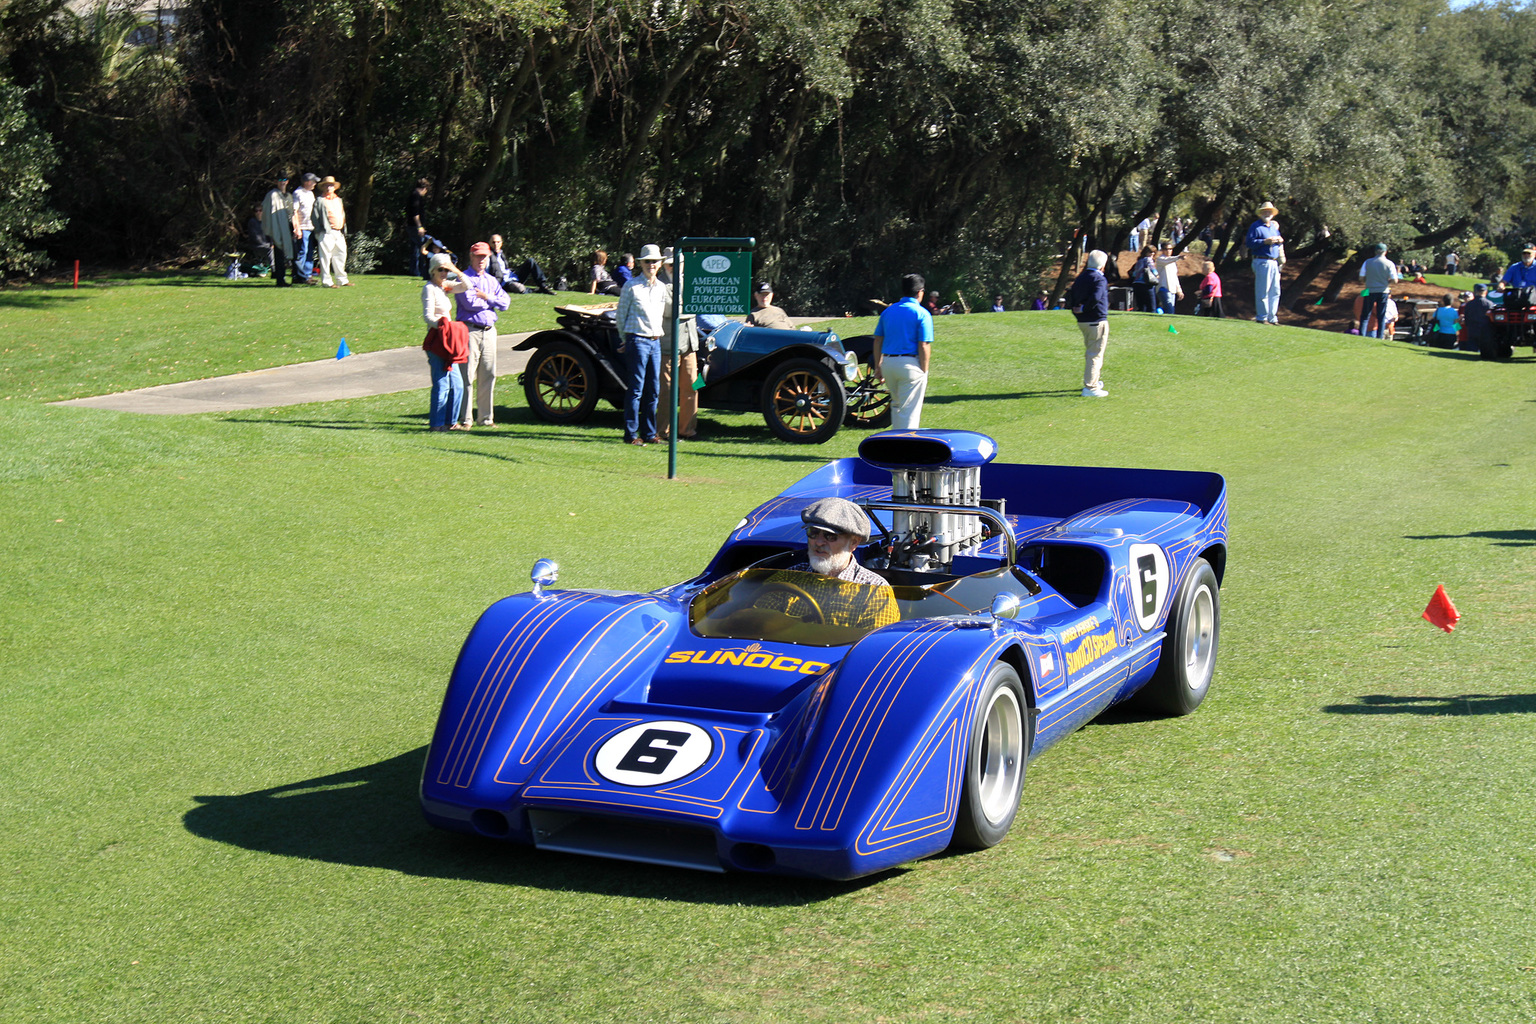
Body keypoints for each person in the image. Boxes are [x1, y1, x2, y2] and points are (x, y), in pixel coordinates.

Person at [615, 244, 669, 445]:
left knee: (653, 389)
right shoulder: (631, 286)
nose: (651, 265)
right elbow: (621, 317)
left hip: (655, 341)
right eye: (647, 261)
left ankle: (650, 433)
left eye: (654, 261)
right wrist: (625, 339)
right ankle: (631, 434)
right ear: (641, 264)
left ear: (660, 264)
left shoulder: (662, 288)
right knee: (636, 388)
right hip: (637, 339)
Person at [454, 241, 511, 427]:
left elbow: (506, 302)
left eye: (484, 256)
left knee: (488, 375)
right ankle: (466, 419)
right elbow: (469, 303)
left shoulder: (491, 280)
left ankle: (486, 419)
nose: (481, 260)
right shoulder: (463, 279)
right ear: (471, 257)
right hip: (469, 331)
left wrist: (487, 297)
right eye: (478, 256)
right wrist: (493, 302)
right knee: (467, 376)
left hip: (489, 331)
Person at [872, 273, 934, 428]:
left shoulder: (888, 311)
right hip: (910, 364)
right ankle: (908, 449)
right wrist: (924, 370)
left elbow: (878, 339)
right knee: (909, 412)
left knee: (897, 406)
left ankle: (895, 447)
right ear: (920, 291)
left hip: (888, 363)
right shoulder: (922, 313)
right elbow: (924, 345)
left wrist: (878, 366)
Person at [421, 253, 469, 431]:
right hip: (437, 341)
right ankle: (436, 424)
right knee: (442, 385)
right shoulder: (429, 288)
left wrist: (455, 270)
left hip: (451, 341)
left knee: (457, 385)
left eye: (445, 270)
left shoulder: (445, 286)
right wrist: (443, 326)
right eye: (440, 269)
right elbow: (428, 316)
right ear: (433, 271)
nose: (443, 273)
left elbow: (467, 286)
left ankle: (451, 422)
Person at [659, 256, 701, 441]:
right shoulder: (658, 284)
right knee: (666, 389)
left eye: (678, 264)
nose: (674, 267)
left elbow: (699, 304)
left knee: (694, 384)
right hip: (668, 344)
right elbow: (668, 309)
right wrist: (687, 305)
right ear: (664, 265)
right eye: (670, 264)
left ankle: (688, 430)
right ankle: (663, 431)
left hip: (690, 343)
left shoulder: (693, 281)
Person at [1067, 249, 1110, 398]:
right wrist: (1085, 308)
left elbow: (1071, 295)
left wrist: (1077, 311)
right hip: (1095, 320)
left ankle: (1094, 381)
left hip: (1084, 321)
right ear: (1102, 266)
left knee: (1092, 352)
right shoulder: (1099, 279)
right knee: (1095, 354)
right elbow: (1096, 297)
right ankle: (1090, 387)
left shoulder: (1080, 277)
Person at [1246, 201, 1284, 324]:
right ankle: (1262, 317)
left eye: (1269, 211)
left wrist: (1279, 240)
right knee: (1263, 290)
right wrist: (1264, 242)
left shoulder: (1273, 227)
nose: (1267, 213)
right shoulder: (1256, 226)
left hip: (1274, 261)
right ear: (1261, 213)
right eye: (1265, 211)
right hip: (1262, 260)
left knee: (1275, 290)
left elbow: (1279, 239)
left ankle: (1272, 318)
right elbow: (1250, 243)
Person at [310, 176, 350, 288]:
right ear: (323, 187)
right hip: (326, 232)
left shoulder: (338, 200)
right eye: (326, 185)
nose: (329, 188)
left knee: (341, 254)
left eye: (331, 185)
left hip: (338, 231)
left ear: (334, 187)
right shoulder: (320, 200)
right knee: (325, 257)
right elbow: (314, 217)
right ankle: (327, 282)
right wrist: (320, 231)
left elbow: (342, 215)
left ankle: (342, 280)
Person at [261, 172, 298, 288]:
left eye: (285, 179)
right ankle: (280, 280)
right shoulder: (272, 195)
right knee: (279, 255)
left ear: (287, 181)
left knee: (291, 254)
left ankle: (294, 277)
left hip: (287, 228)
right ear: (276, 181)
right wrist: (270, 231)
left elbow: (291, 213)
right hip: (276, 228)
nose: (282, 182)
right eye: (280, 179)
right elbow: (266, 213)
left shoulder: (288, 196)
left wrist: (294, 229)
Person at [1357, 243, 1399, 338]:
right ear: (1385, 252)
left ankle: (1361, 335)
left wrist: (1368, 281)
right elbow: (1395, 280)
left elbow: (1361, 278)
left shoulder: (1367, 262)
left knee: (1365, 315)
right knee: (1381, 315)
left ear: (1375, 251)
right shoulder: (1389, 263)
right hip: (1383, 291)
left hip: (1369, 290)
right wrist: (1386, 283)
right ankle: (1380, 337)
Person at [290, 172, 319, 284]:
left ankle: (307, 275)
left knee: (309, 253)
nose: (315, 184)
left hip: (311, 227)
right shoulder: (297, 193)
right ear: (307, 182)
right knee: (302, 251)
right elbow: (294, 211)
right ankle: (299, 276)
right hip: (302, 227)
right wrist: (297, 228)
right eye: (313, 182)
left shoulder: (310, 193)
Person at [404, 178, 430, 277]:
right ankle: (421, 271)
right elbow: (415, 213)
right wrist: (419, 227)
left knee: (414, 250)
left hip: (412, 226)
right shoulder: (416, 196)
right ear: (424, 188)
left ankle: (414, 271)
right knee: (422, 248)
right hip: (415, 227)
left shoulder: (413, 195)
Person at [1461, 282, 1495, 356]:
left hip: (1472, 329)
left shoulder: (1469, 304)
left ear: (1475, 292)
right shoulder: (1490, 304)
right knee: (1485, 350)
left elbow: (1466, 318)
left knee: (1471, 350)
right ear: (1486, 292)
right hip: (1485, 330)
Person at [1153, 241, 1183, 314]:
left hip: (1172, 289)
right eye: (1166, 249)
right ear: (1162, 250)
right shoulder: (1160, 260)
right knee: (1170, 310)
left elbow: (1175, 277)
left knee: (1170, 309)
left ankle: (1159, 313)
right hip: (1163, 288)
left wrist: (1179, 290)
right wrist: (1178, 257)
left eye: (1170, 249)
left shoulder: (1172, 262)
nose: (1169, 251)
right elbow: (1167, 260)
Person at [244, 204, 273, 276]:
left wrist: (272, 243)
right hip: (256, 245)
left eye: (260, 210)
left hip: (266, 244)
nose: (258, 212)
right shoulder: (252, 222)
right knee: (270, 250)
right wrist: (268, 245)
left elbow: (270, 234)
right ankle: (274, 269)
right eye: (256, 211)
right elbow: (255, 237)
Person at [1130, 245, 1156, 313]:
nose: (1152, 254)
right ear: (1146, 252)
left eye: (1154, 252)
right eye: (1150, 252)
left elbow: (1134, 274)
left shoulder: (1139, 261)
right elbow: (1153, 270)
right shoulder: (1148, 259)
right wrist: (1157, 275)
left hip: (1136, 284)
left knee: (1141, 306)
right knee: (1151, 306)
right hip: (1146, 284)